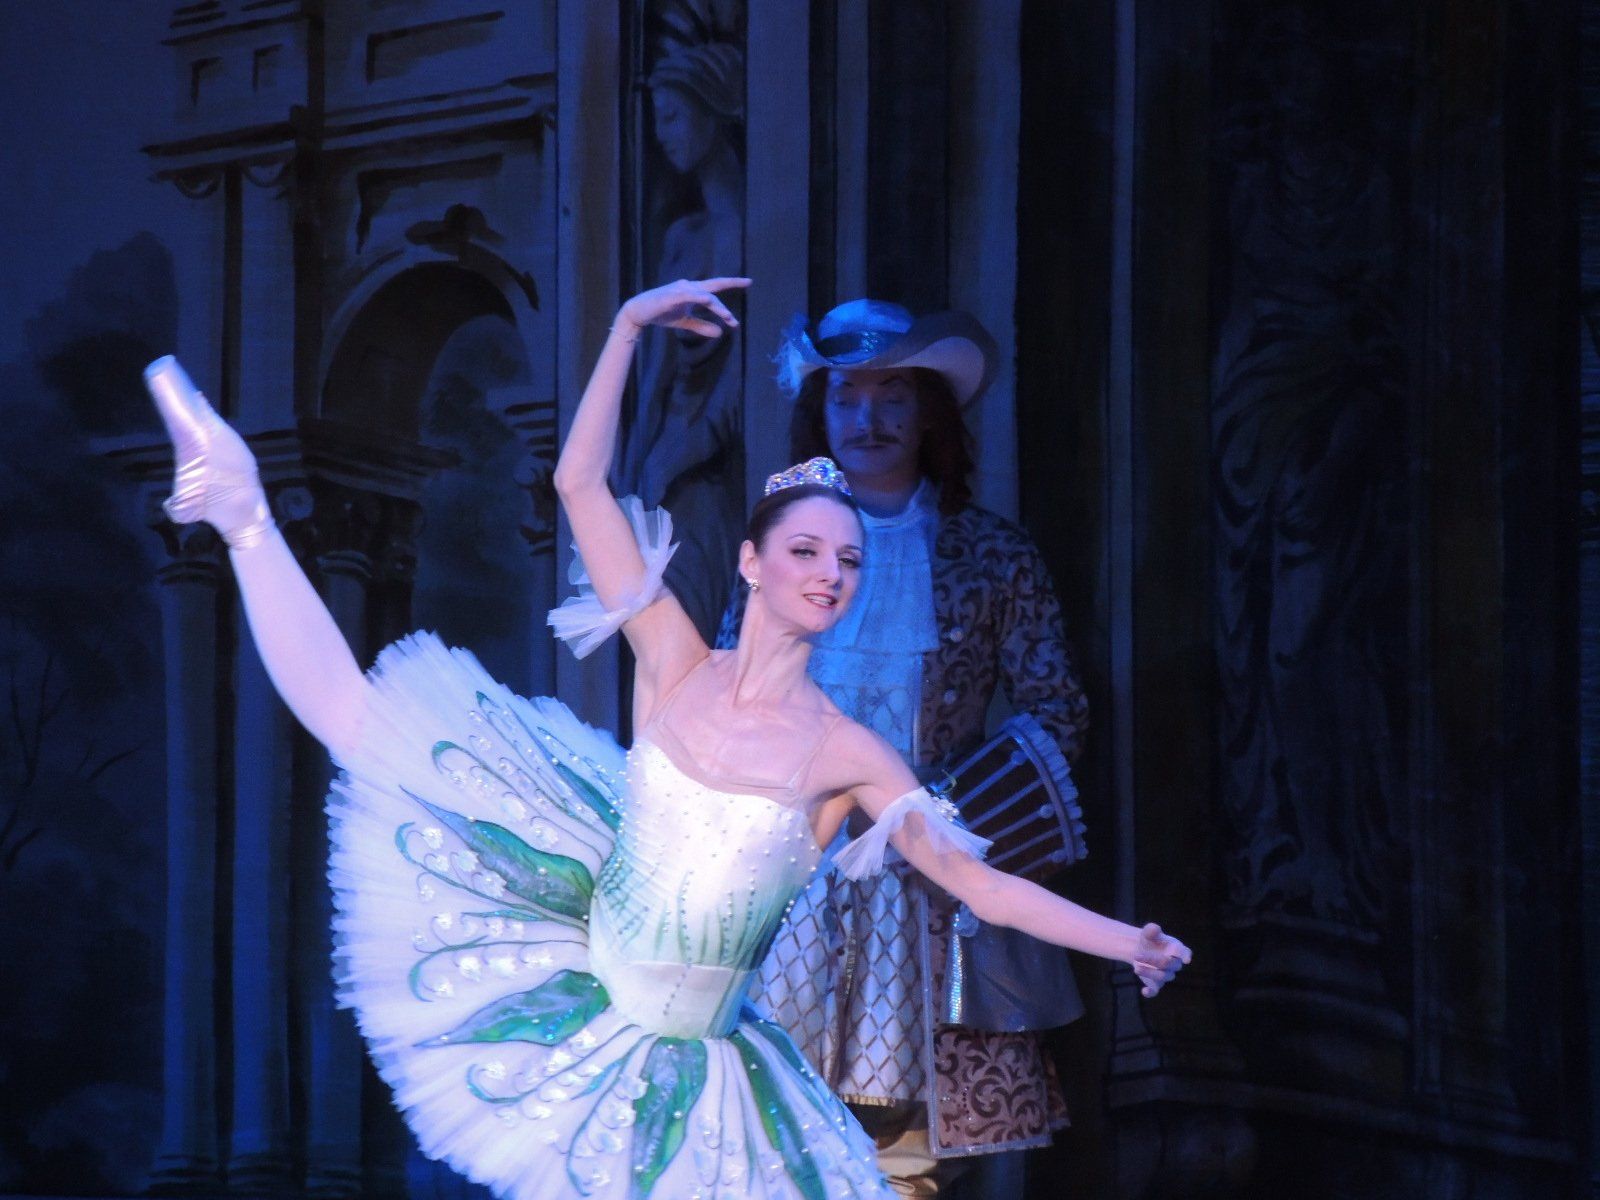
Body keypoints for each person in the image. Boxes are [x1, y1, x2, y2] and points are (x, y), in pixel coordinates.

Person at [143, 276, 1189, 1200]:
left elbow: (981, 886)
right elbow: (578, 486)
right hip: (592, 1014)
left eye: (849, 561)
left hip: (714, 1063)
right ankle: (243, 513)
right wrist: (627, 329)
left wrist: (1126, 943)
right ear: (751, 564)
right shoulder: (678, 660)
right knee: (364, 724)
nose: (831, 573)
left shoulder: (849, 755)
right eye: (807, 552)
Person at [720, 299, 1090, 1197]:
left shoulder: (990, 554)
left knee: (905, 1151)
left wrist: (941, 820)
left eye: (893, 396)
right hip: (786, 864)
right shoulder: (784, 551)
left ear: (928, 414)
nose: (870, 418)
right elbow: (733, 692)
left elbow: (1056, 708)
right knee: (755, 1123)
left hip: (928, 880)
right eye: (848, 396)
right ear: (821, 413)